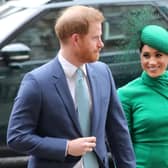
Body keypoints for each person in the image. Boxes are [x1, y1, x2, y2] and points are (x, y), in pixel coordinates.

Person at [7, 5, 135, 168]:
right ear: (76, 39)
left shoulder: (103, 72)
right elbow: (16, 137)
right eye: (95, 38)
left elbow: (118, 132)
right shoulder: (36, 82)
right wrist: (66, 147)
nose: (101, 44)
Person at [117, 25, 168, 168]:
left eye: (158, 55)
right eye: (146, 55)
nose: (152, 62)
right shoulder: (126, 94)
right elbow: (122, 146)